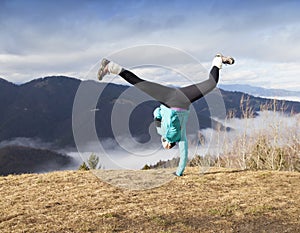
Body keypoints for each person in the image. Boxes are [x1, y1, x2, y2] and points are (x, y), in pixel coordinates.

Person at [97, 54, 234, 176]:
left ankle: (111, 67)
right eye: (167, 146)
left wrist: (162, 111)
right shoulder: (177, 136)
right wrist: (179, 173)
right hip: (178, 99)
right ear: (169, 143)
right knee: (139, 83)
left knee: (139, 82)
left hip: (174, 99)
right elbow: (183, 155)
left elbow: (157, 112)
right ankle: (217, 61)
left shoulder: (169, 133)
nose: (165, 146)